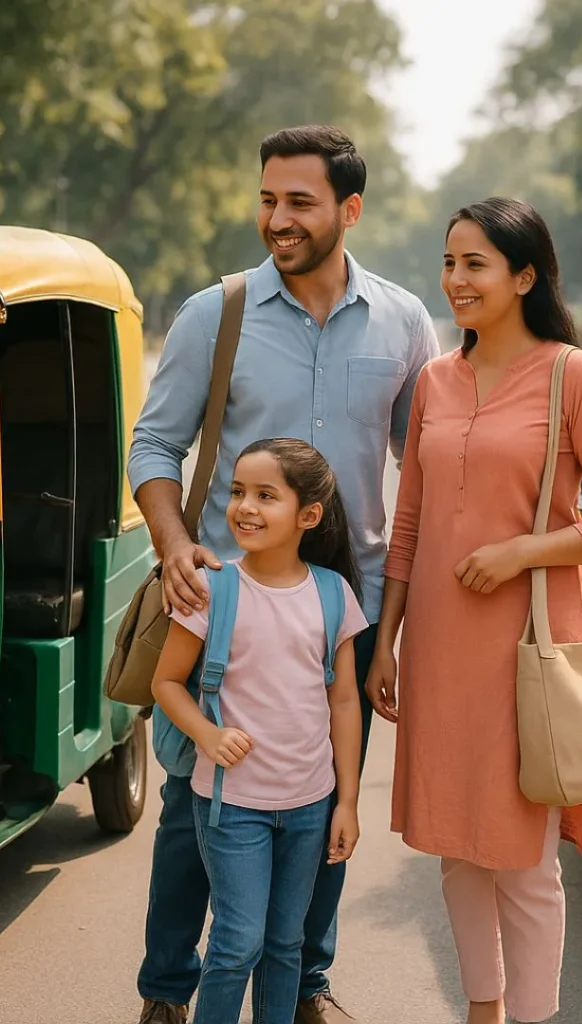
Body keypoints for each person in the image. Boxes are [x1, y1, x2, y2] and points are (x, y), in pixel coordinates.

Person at [127, 124, 440, 1024]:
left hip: (348, 606)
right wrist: (173, 540)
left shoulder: (404, 320)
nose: (278, 219)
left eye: (299, 202)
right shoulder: (213, 313)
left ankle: (304, 985)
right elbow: (155, 443)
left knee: (321, 810)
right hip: (224, 608)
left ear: (349, 208)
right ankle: (165, 992)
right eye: (268, 199)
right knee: (193, 814)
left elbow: (423, 467)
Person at [365, 197, 582, 1024]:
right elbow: (410, 521)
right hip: (441, 648)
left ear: (525, 276)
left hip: (532, 645)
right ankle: (482, 1012)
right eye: (450, 262)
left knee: (525, 861)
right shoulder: (435, 381)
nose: (455, 279)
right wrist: (386, 642)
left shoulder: (575, 375)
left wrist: (524, 550)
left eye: (475, 263)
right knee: (457, 847)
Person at [152, 438, 368, 1024]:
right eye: (239, 492)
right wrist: (207, 734)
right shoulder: (212, 589)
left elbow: (344, 702)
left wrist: (346, 801)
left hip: (309, 805)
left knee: (285, 945)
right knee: (237, 943)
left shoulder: (332, 594)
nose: (244, 506)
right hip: (230, 805)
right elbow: (167, 683)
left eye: (265, 496)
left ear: (308, 516)